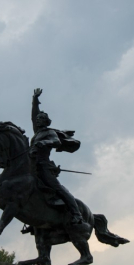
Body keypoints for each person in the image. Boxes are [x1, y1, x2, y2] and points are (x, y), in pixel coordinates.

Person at [30, 88, 83, 225]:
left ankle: (77, 214)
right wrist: (35, 99)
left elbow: (57, 142)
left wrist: (45, 142)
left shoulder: (49, 132)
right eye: (37, 119)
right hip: (32, 164)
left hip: (44, 165)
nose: (38, 120)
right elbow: (34, 114)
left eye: (41, 119)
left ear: (46, 122)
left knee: (57, 188)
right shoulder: (37, 132)